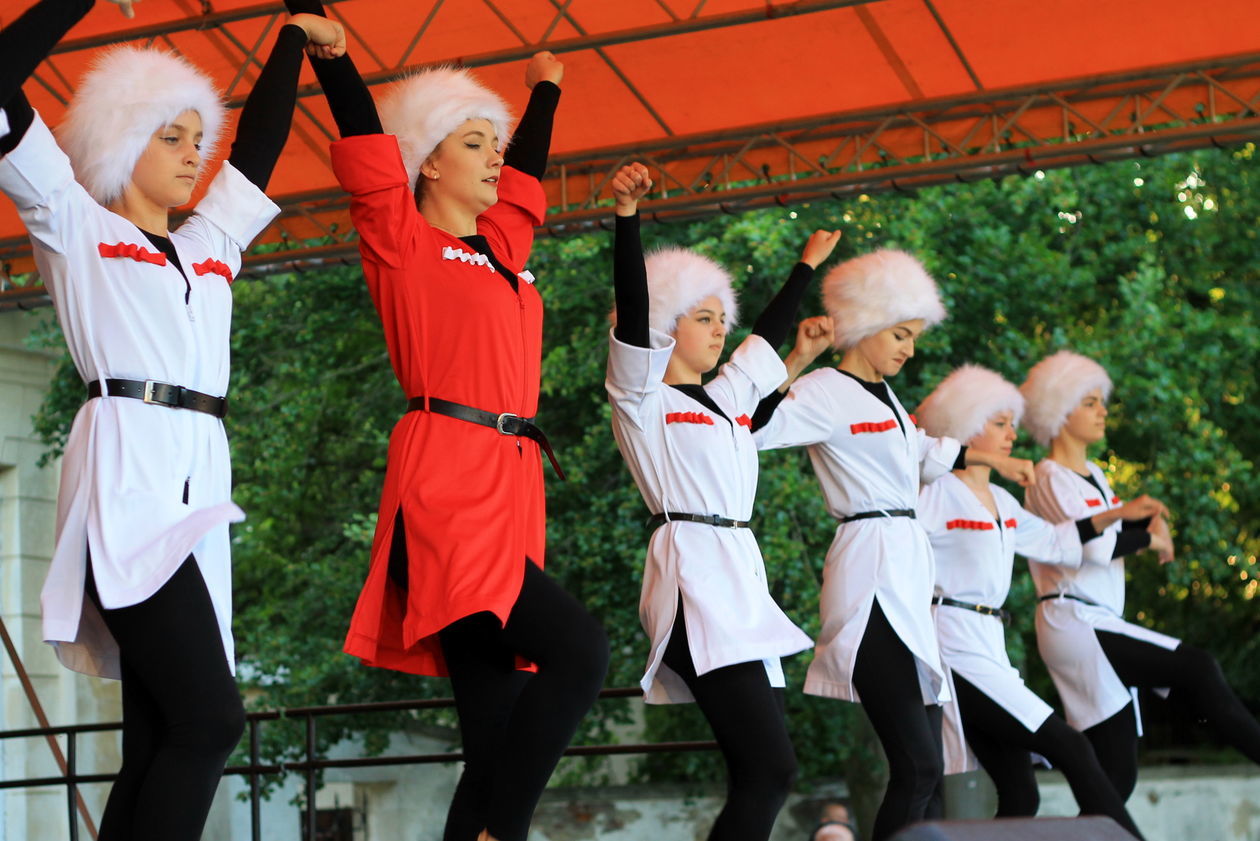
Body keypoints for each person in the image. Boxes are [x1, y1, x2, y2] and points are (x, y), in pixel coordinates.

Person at [0, 1, 344, 838]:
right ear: (124, 142)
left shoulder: (209, 244)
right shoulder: (71, 220)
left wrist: (293, 34)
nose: (197, 153)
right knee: (211, 720)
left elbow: (257, 150)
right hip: (125, 485)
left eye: (199, 138)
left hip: (198, 494)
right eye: (173, 136)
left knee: (159, 736)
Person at [285, 2, 610, 838]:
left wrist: (544, 93)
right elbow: (366, 149)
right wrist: (332, 58)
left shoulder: (502, 249)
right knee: (581, 650)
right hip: (446, 486)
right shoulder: (401, 238)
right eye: (474, 142)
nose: (496, 155)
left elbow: (527, 178)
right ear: (426, 163)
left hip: (509, 489)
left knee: (494, 734)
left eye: (494, 143)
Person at [753, 250, 1036, 840]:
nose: (909, 349)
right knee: (920, 765)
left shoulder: (889, 399)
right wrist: (796, 360)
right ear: (866, 324)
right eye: (900, 334)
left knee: (928, 773)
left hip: (908, 580)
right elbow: (755, 426)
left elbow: (925, 455)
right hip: (869, 576)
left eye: (913, 338)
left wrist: (991, 460)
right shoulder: (824, 390)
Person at [606, 162, 838, 840]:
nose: (718, 330)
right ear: (665, 324)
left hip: (742, 582)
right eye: (703, 318)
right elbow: (633, 305)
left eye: (720, 320)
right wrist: (627, 217)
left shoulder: (728, 397)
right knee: (772, 769)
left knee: (762, 774)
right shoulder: (641, 396)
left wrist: (804, 268)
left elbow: (765, 340)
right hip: (695, 583)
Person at [915, 365, 1145, 838]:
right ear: (965, 427)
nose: (1012, 435)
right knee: (1071, 748)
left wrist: (1119, 515)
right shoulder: (932, 494)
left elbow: (1058, 542)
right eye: (999, 423)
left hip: (990, 645)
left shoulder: (1004, 500)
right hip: (952, 644)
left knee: (1022, 794)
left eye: (1012, 424)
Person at [1020, 350, 1260, 802]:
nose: (1102, 411)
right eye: (1089, 402)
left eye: (1101, 401)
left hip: (1096, 621)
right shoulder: (1050, 477)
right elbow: (1093, 548)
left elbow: (1113, 532)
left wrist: (1144, 525)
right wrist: (1149, 536)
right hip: (1074, 621)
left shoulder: (1093, 474)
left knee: (1117, 778)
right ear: (1059, 412)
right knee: (1197, 668)